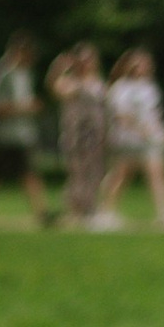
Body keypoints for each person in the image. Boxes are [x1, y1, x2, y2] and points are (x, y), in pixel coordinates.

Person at [0, 35, 51, 230]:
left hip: (23, 134)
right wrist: (24, 108)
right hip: (3, 135)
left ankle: (42, 213)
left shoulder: (25, 74)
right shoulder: (1, 73)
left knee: (29, 173)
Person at [100, 49, 164, 227]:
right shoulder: (121, 87)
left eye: (146, 64)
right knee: (121, 176)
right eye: (139, 64)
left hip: (149, 141)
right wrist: (142, 130)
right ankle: (106, 213)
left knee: (158, 174)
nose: (143, 67)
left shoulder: (150, 87)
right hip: (128, 140)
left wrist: (163, 132)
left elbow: (155, 114)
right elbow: (121, 115)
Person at [48, 43, 111, 228]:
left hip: (98, 136)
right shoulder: (71, 82)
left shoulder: (99, 82)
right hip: (77, 136)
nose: (86, 63)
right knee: (78, 173)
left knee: (97, 173)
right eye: (82, 60)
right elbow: (55, 88)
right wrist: (58, 68)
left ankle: (90, 208)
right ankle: (76, 211)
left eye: (89, 59)